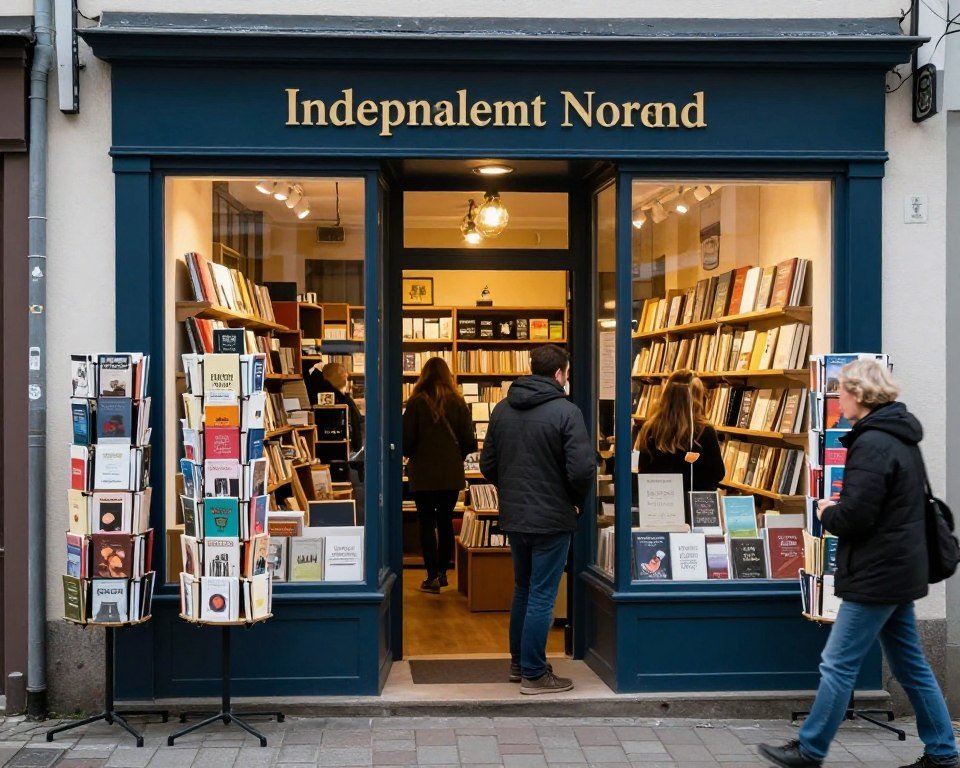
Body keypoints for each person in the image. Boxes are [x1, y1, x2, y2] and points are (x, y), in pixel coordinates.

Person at [759, 360, 958, 768]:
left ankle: (810, 748)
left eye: (842, 393)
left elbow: (857, 515)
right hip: (898, 568)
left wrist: (828, 510)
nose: (838, 401)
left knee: (838, 663)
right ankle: (943, 751)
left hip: (877, 573)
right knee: (911, 664)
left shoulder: (872, 442)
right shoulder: (899, 435)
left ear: (860, 395)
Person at [480, 344, 594, 695]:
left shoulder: (501, 409)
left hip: (515, 517)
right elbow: (583, 468)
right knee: (543, 595)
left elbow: (487, 465)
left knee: (523, 589)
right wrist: (574, 501)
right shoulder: (566, 412)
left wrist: (512, 490)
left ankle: (518, 663)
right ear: (560, 374)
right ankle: (533, 672)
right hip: (552, 518)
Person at [402, 357, 477, 594]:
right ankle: (444, 573)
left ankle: (431, 575)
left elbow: (405, 443)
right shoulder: (458, 402)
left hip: (422, 473)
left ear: (423, 375)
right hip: (450, 473)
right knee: (445, 521)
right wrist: (454, 455)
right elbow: (469, 441)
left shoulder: (415, 403)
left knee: (426, 523)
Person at [637, 369, 725, 515]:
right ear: (697, 398)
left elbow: (644, 471)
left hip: (659, 509)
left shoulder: (651, 428)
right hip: (696, 510)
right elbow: (717, 473)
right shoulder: (704, 431)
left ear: (667, 394)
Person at [306, 362, 363, 454]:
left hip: (318, 447)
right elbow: (357, 427)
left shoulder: (314, 393)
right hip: (342, 448)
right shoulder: (345, 400)